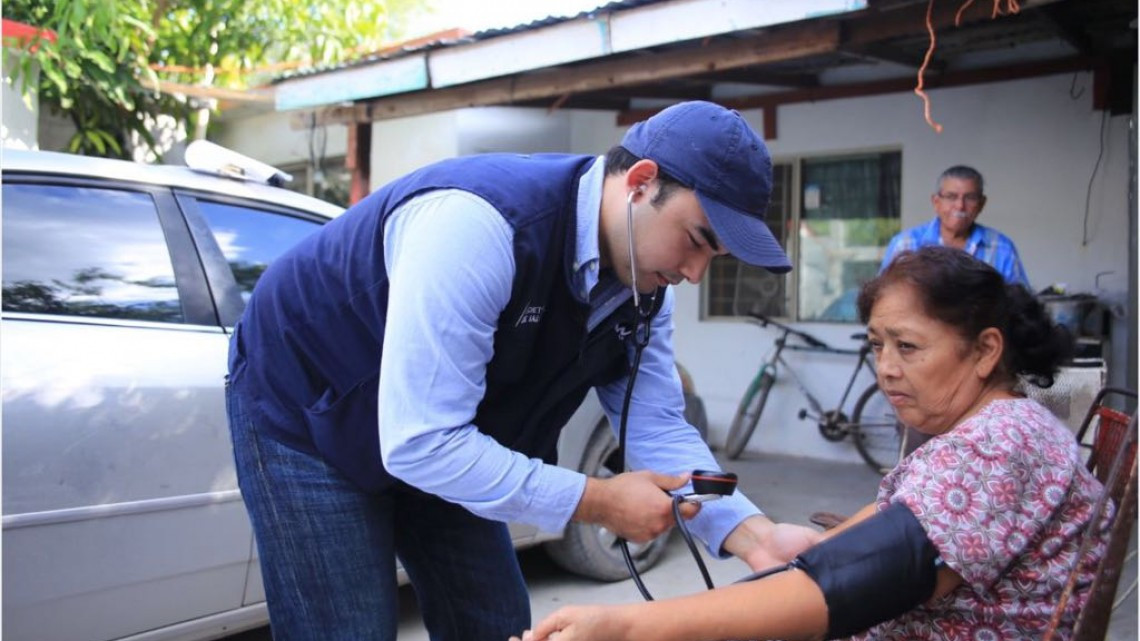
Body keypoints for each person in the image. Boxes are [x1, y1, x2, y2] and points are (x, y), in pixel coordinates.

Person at [225, 100, 821, 640]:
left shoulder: (645, 286)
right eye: (697, 240)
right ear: (641, 183)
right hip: (307, 408)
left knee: (496, 623)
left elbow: (656, 426)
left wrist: (757, 537)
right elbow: (422, 442)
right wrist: (596, 499)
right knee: (349, 631)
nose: (695, 274)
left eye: (712, 258)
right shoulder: (481, 226)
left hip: (446, 431)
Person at [512, 246, 1110, 641]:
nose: (886, 369)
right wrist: (804, 546)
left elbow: (843, 586)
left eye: (908, 347)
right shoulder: (993, 430)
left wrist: (626, 628)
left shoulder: (998, 445)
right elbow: (897, 524)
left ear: (985, 351)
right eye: (877, 345)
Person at [881, 165, 1030, 288]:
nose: (960, 206)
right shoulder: (906, 244)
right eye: (951, 197)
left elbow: (1021, 306)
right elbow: (883, 299)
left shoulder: (1001, 247)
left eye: (970, 198)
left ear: (982, 204)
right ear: (936, 202)